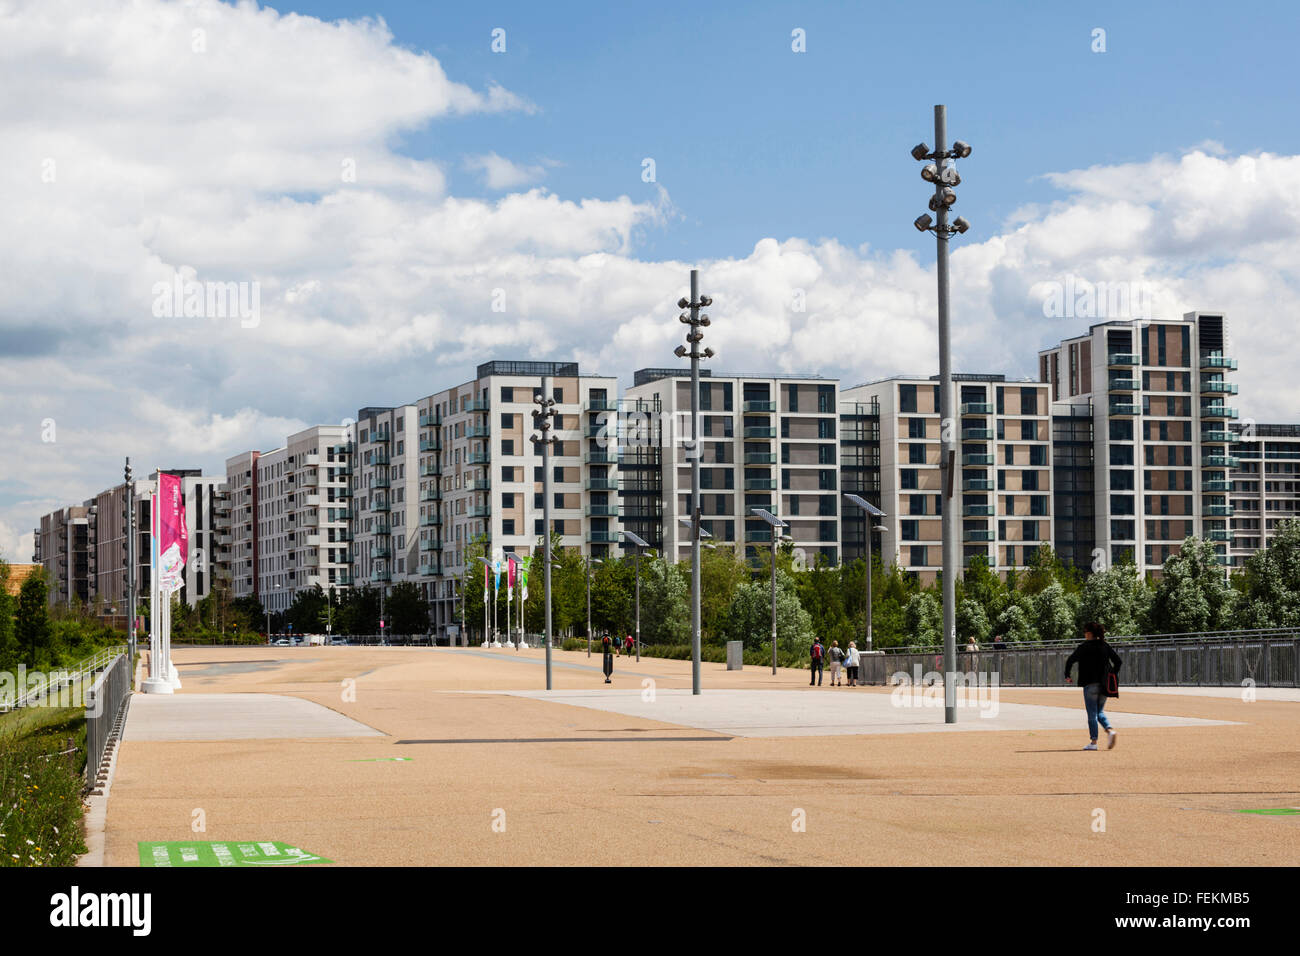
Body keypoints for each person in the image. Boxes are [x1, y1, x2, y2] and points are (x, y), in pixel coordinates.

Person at [1064, 621, 1122, 751]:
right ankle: (1109, 730)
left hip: (1090, 683)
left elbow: (1070, 660)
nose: (1084, 634)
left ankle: (1094, 742)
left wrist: (1067, 675)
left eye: (1085, 632)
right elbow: (1118, 661)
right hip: (1104, 683)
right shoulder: (1104, 645)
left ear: (1089, 633)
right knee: (1099, 711)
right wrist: (1112, 673)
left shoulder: (1084, 647)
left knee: (1092, 713)